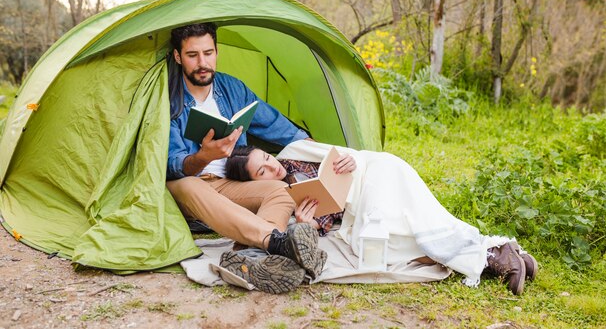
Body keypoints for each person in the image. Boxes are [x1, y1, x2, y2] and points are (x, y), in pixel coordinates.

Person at [225, 141, 538, 295]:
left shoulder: (295, 150)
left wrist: (352, 159)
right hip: (359, 205)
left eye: (267, 158)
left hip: (375, 172)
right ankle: (501, 255)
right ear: (256, 181)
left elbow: (346, 154)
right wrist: (305, 224)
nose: (272, 167)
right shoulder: (279, 198)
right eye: (262, 171)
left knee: (398, 224)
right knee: (396, 235)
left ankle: (494, 257)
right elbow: (317, 229)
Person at [166, 22, 325, 294]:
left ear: (216, 51)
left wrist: (321, 150)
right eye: (193, 55)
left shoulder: (231, 89)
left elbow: (275, 124)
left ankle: (252, 259)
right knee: (190, 184)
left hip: (228, 183)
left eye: (208, 53)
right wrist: (204, 157)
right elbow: (173, 165)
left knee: (279, 189)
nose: (202, 63)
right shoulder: (168, 97)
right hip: (187, 186)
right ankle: (276, 242)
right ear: (178, 57)